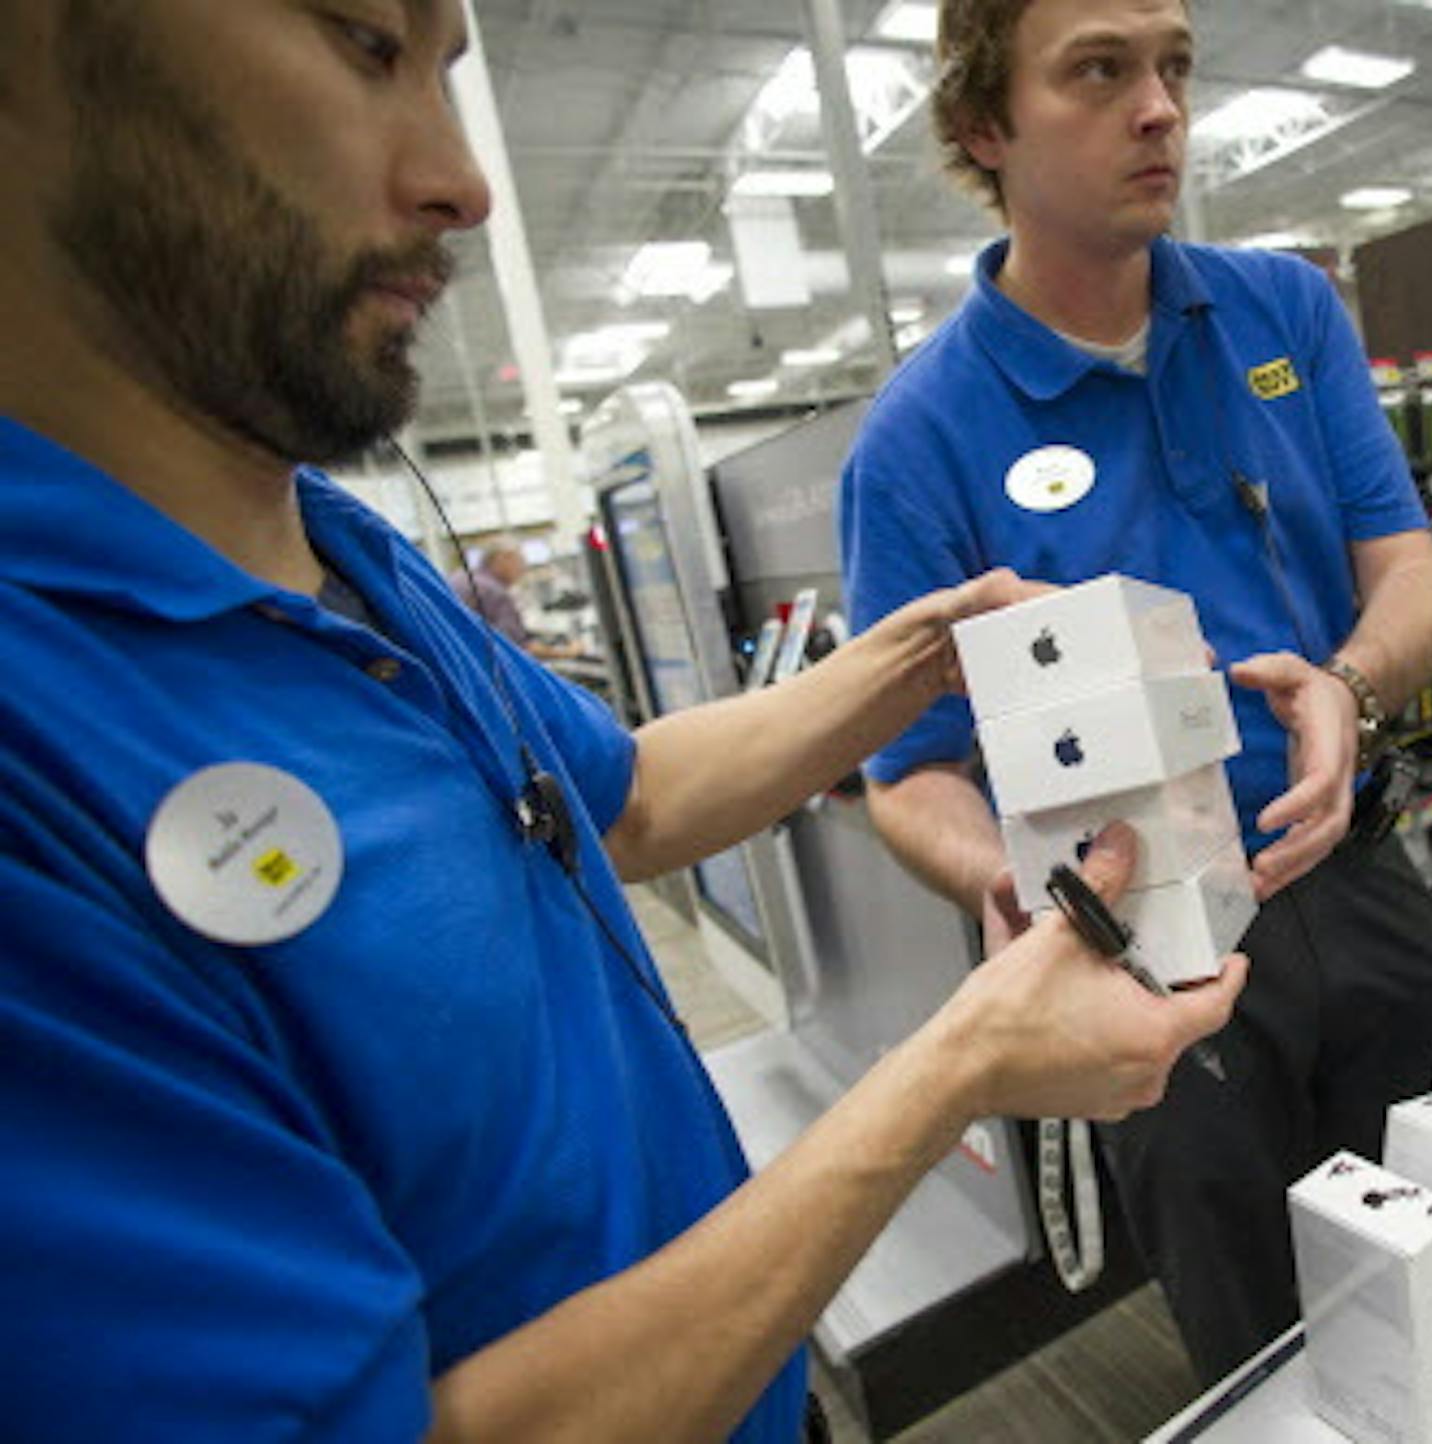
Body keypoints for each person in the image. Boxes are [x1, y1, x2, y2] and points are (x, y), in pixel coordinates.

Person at [0, 2, 1244, 1440]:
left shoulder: (346, 554)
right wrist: (954, 1068)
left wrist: (907, 661)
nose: (464, 179)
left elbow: (625, 796)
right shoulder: (41, 758)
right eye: (366, 42)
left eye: (451, 66)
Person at [838, 0, 1432, 1382]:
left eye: (1175, 64)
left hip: (1361, 884)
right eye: (1102, 72)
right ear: (981, 125)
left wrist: (1349, 686)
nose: (1161, 108)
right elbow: (909, 773)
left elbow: (1414, 574)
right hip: (1155, 958)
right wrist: (1004, 881)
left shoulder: (1283, 311)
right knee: (1266, 1348)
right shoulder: (920, 440)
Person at [451, 540, 578, 659]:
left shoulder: (461, 577)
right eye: (519, 562)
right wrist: (568, 652)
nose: (523, 569)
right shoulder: (494, 592)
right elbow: (516, 648)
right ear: (503, 559)